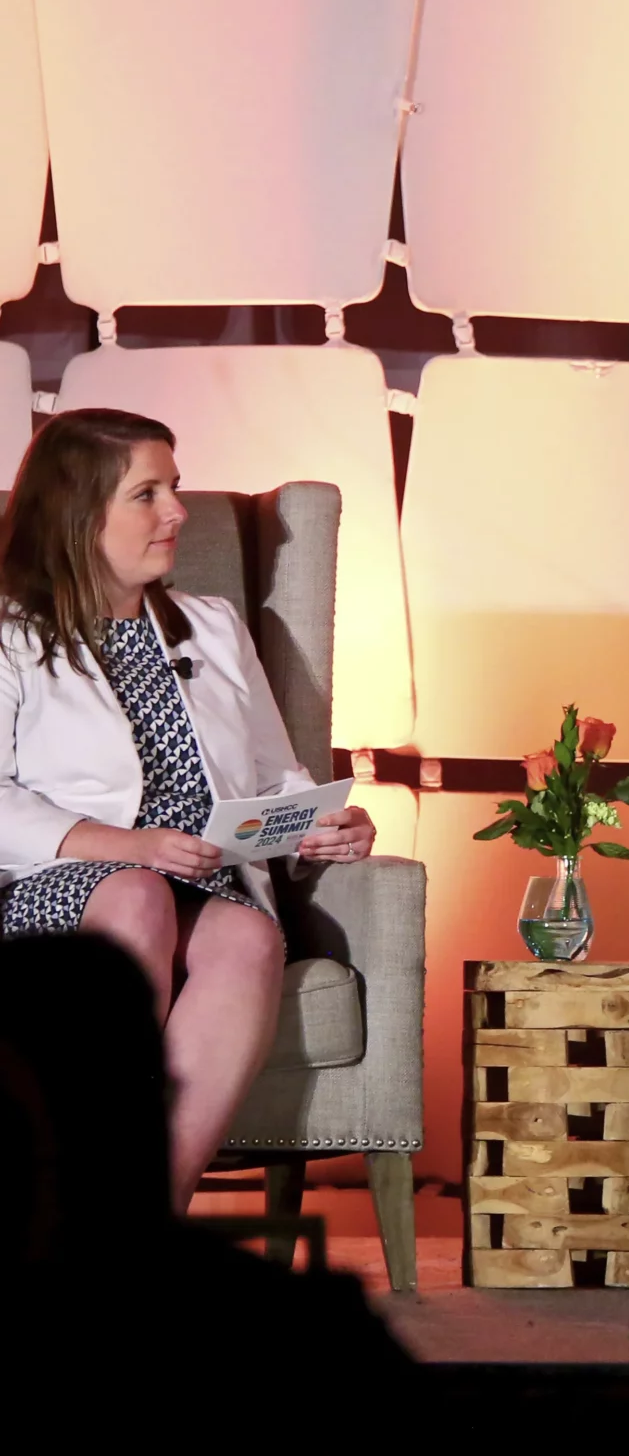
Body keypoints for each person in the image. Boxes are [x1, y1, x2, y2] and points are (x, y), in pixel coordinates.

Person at [0, 409, 376, 1209]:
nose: (177, 511)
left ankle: (136, 1220)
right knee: (135, 896)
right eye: (149, 494)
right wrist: (124, 844)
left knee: (246, 935)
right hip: (53, 884)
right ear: (78, 512)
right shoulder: (10, 636)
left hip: (205, 881)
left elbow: (275, 777)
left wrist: (321, 826)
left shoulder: (212, 626)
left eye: (174, 487)